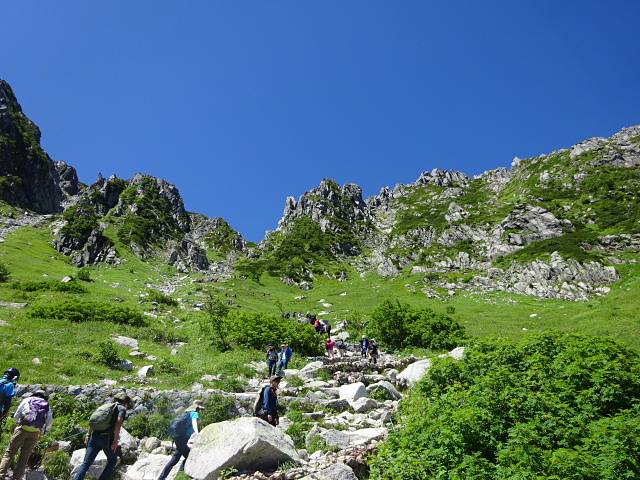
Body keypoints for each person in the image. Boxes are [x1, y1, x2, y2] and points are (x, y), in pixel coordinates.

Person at [74, 394, 131, 480]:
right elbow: (118, 422)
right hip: (106, 438)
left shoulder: (107, 406)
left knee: (86, 463)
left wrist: (88, 435)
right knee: (112, 460)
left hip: (94, 436)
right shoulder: (122, 409)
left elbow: (93, 420)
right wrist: (115, 441)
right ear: (126, 403)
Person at [0, 390, 52, 480]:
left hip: (22, 429)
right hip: (35, 432)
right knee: (24, 456)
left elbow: (16, 415)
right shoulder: (46, 404)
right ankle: (17, 477)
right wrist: (44, 431)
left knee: (10, 453)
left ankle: (1, 474)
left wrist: (18, 422)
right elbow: (49, 421)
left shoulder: (27, 400)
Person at [157, 400, 205, 480]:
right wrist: (198, 434)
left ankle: (181, 471)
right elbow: (194, 423)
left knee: (187, 454)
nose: (200, 411)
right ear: (197, 408)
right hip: (183, 436)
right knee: (175, 459)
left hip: (177, 436)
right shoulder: (194, 413)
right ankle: (161, 478)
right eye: (200, 409)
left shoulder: (186, 413)